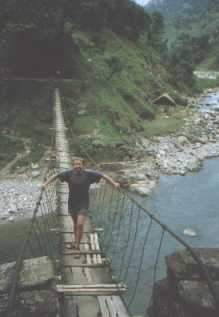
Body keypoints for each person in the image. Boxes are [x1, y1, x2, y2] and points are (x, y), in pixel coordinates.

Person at [42, 157, 119, 254]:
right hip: (72, 203)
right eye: (75, 164)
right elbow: (56, 176)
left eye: (79, 164)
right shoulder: (69, 173)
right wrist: (45, 184)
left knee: (80, 224)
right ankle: (75, 242)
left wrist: (114, 184)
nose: (77, 166)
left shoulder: (89, 174)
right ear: (73, 165)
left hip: (83, 203)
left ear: (83, 165)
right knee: (75, 224)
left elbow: (103, 176)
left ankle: (77, 246)